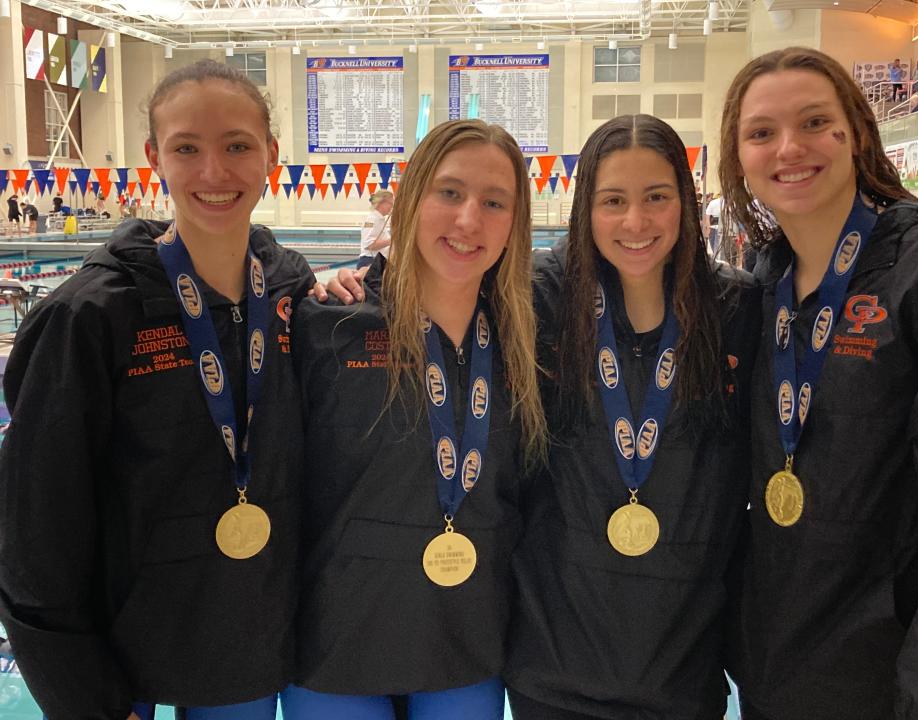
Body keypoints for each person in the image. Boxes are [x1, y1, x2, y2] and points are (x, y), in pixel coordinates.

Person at [320, 115, 760, 720]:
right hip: (550, 659)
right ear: (586, 209)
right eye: (613, 201)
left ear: (686, 200)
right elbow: (434, 298)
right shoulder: (539, 300)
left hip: (682, 661)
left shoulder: (738, 308)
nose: (636, 222)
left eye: (657, 197)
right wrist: (353, 283)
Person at [0, 59, 316, 720]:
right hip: (126, 668)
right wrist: (83, 694)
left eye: (236, 146)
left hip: (249, 650)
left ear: (271, 157)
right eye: (186, 149)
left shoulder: (289, 291)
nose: (213, 172)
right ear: (154, 157)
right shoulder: (86, 317)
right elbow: (35, 531)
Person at [719, 46, 918, 719]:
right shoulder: (761, 285)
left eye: (815, 122)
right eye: (762, 132)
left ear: (854, 132)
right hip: (776, 665)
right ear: (739, 157)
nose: (789, 148)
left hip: (894, 675)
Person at [285, 119, 547, 720]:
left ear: (515, 221)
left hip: (467, 643)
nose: (467, 220)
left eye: (494, 202)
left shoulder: (528, 342)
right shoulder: (331, 324)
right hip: (337, 647)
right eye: (449, 193)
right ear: (410, 200)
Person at [357, 189, 394, 269]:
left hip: (377, 261)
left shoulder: (379, 219)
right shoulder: (372, 219)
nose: (392, 207)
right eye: (390, 204)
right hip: (370, 262)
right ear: (381, 203)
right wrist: (392, 240)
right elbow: (369, 245)